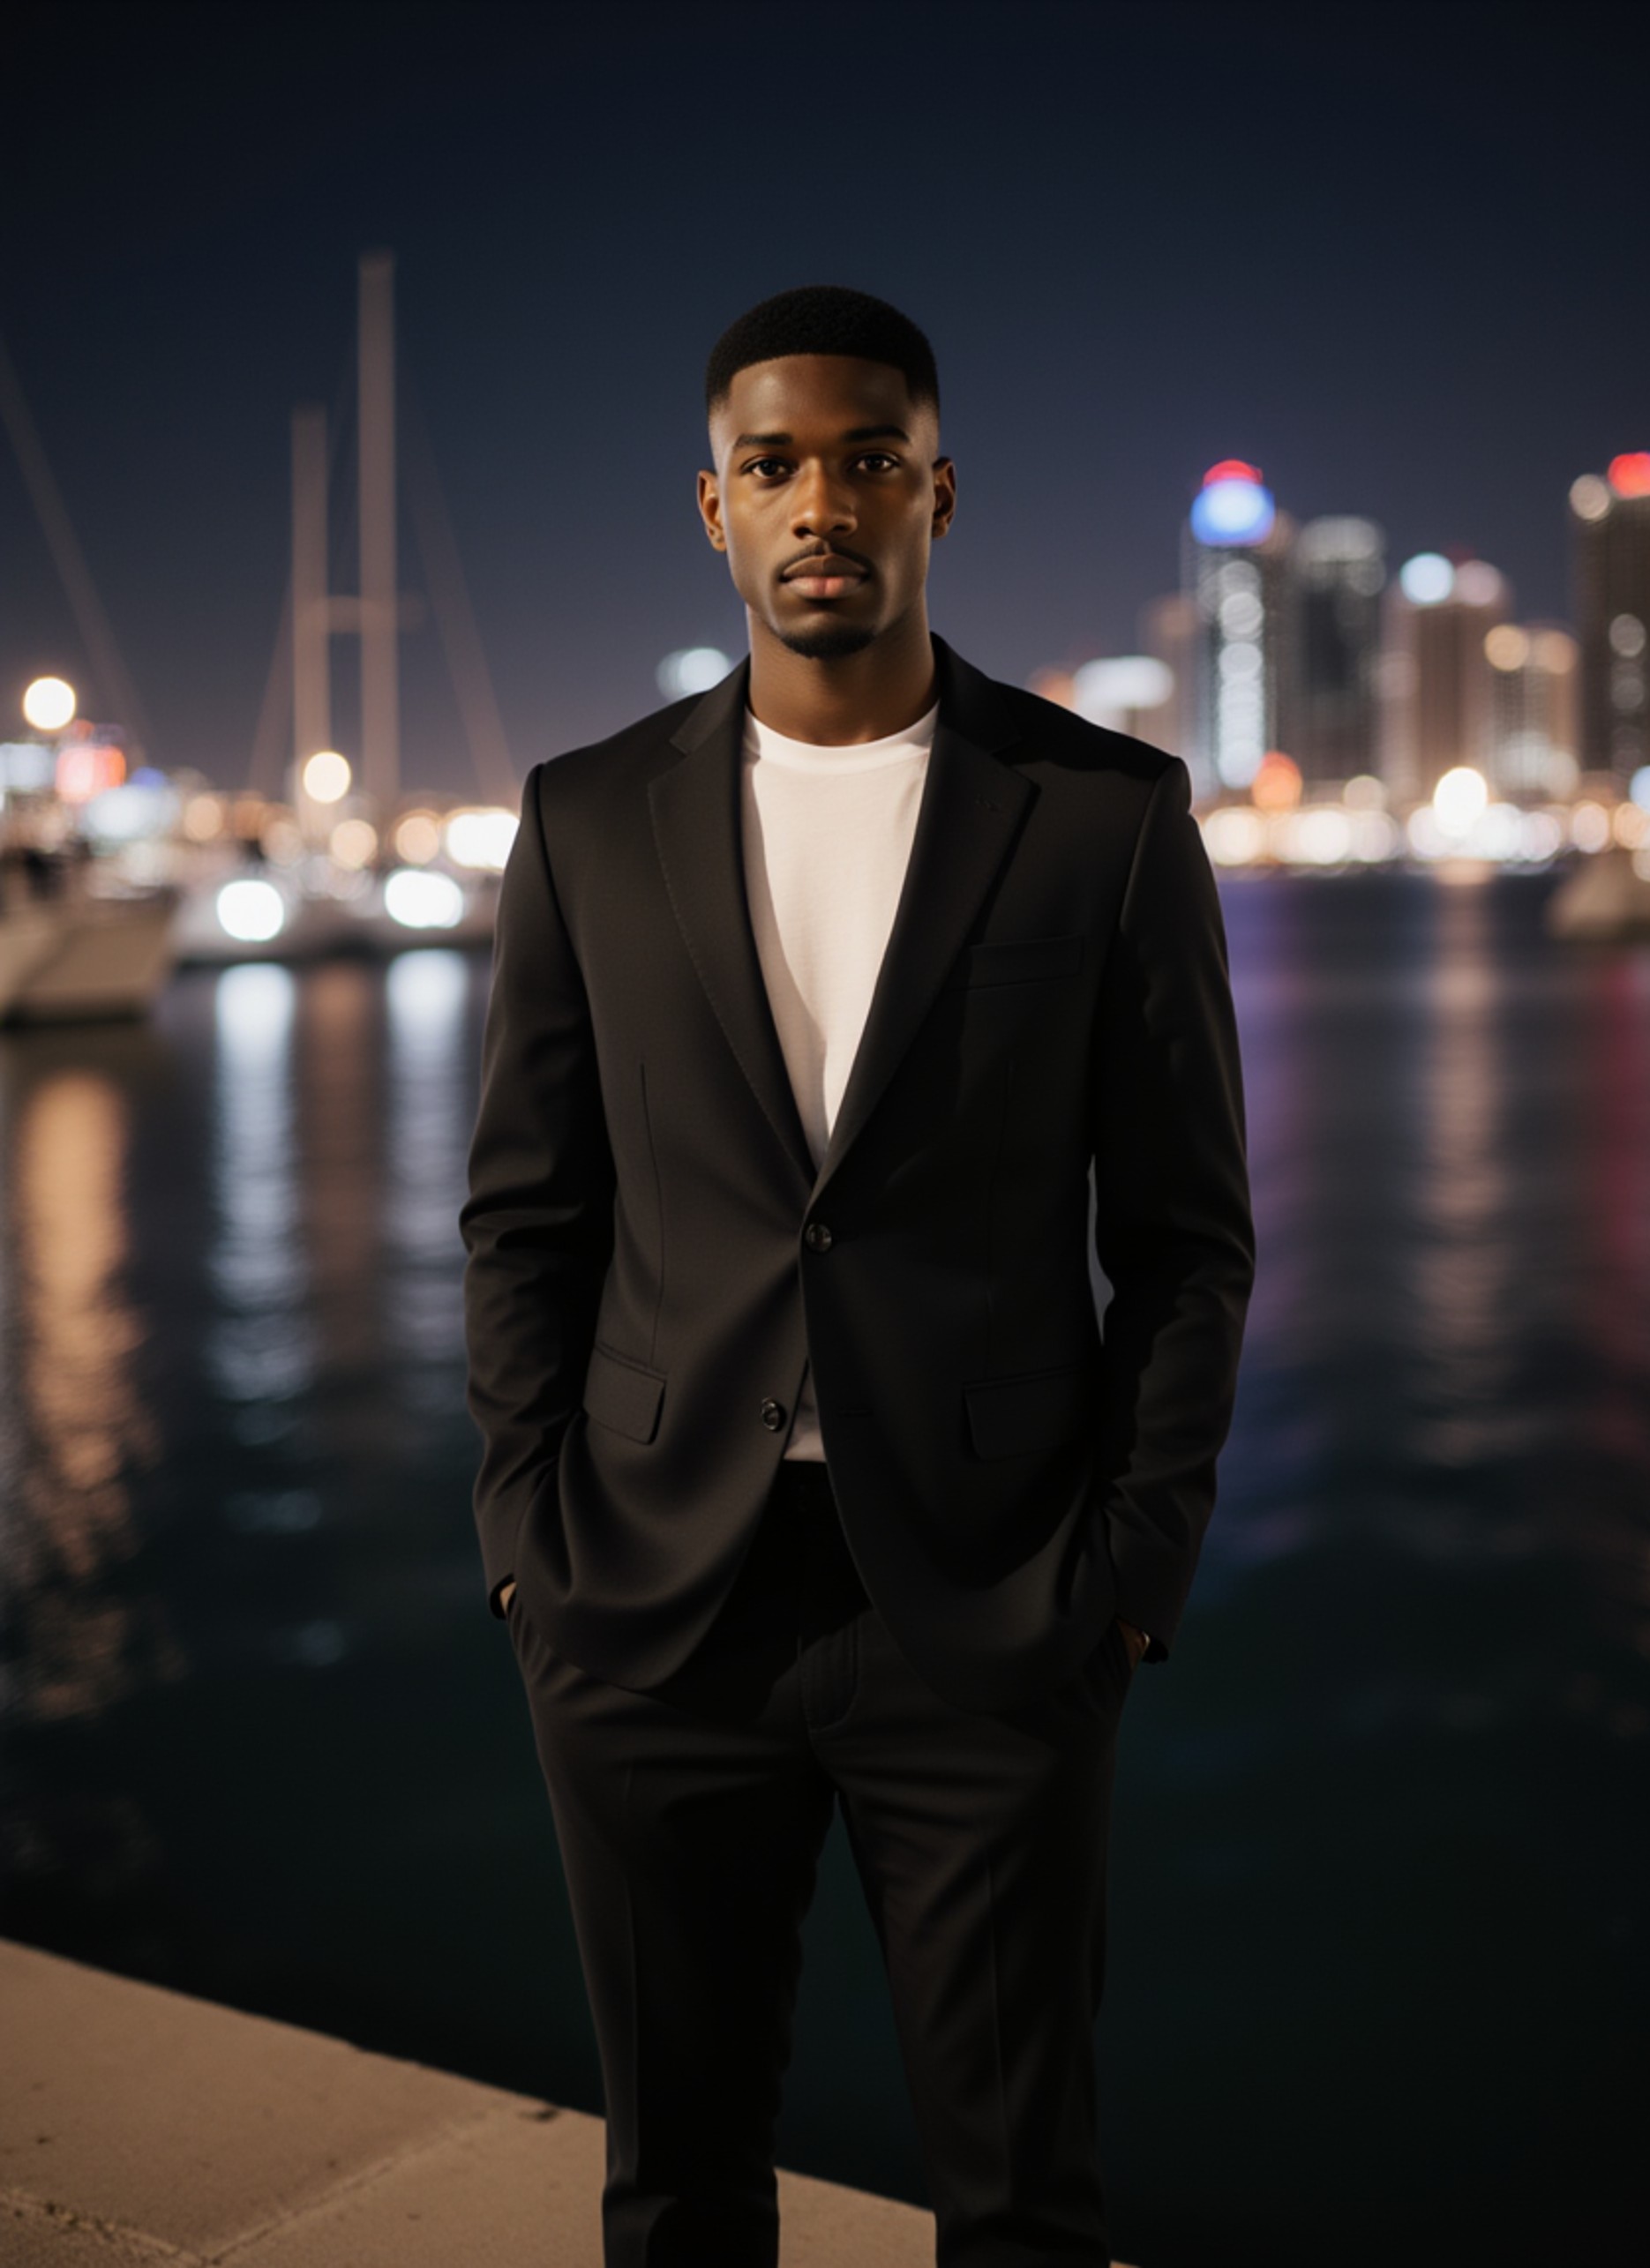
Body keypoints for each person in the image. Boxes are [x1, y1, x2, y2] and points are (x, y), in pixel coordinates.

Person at [459, 283, 1255, 2268]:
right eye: (773, 463)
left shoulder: (1103, 820)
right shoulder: (581, 821)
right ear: (710, 507)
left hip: (986, 1609)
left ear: (938, 491)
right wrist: (522, 1539)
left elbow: (1185, 1239)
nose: (821, 500)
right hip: (647, 1607)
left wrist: (1126, 1579)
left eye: (867, 458)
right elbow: (526, 1216)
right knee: (678, 2188)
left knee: (1020, 2201)